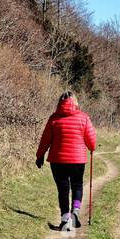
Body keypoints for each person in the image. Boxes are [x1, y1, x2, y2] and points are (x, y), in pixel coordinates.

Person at [35, 91, 97, 231]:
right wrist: (92, 147)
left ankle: (65, 219)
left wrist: (40, 156)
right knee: (77, 185)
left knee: (63, 189)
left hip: (58, 160)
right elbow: (92, 141)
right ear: (75, 102)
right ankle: (75, 212)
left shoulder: (54, 118)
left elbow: (45, 139)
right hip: (78, 160)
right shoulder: (84, 118)